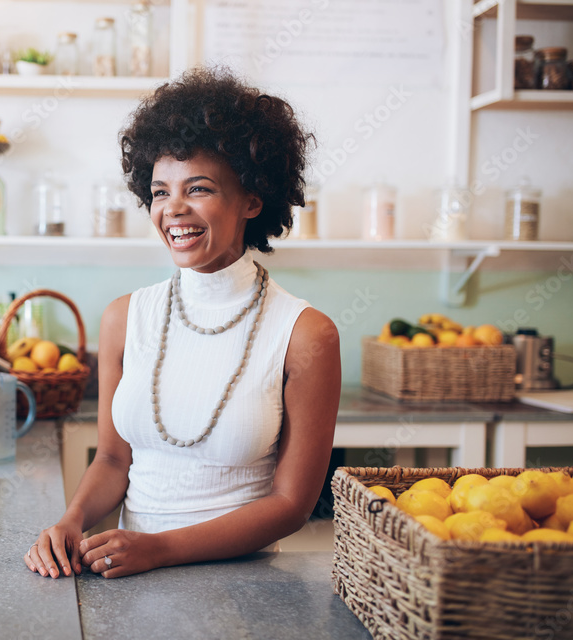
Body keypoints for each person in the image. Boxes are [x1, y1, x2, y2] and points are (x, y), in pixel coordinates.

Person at [25, 68, 341, 579]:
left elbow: (291, 504)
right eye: (159, 191)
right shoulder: (124, 318)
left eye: (198, 188)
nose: (173, 209)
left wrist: (160, 549)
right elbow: (111, 459)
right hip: (130, 577)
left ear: (252, 200)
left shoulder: (306, 335)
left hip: (246, 589)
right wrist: (71, 520)